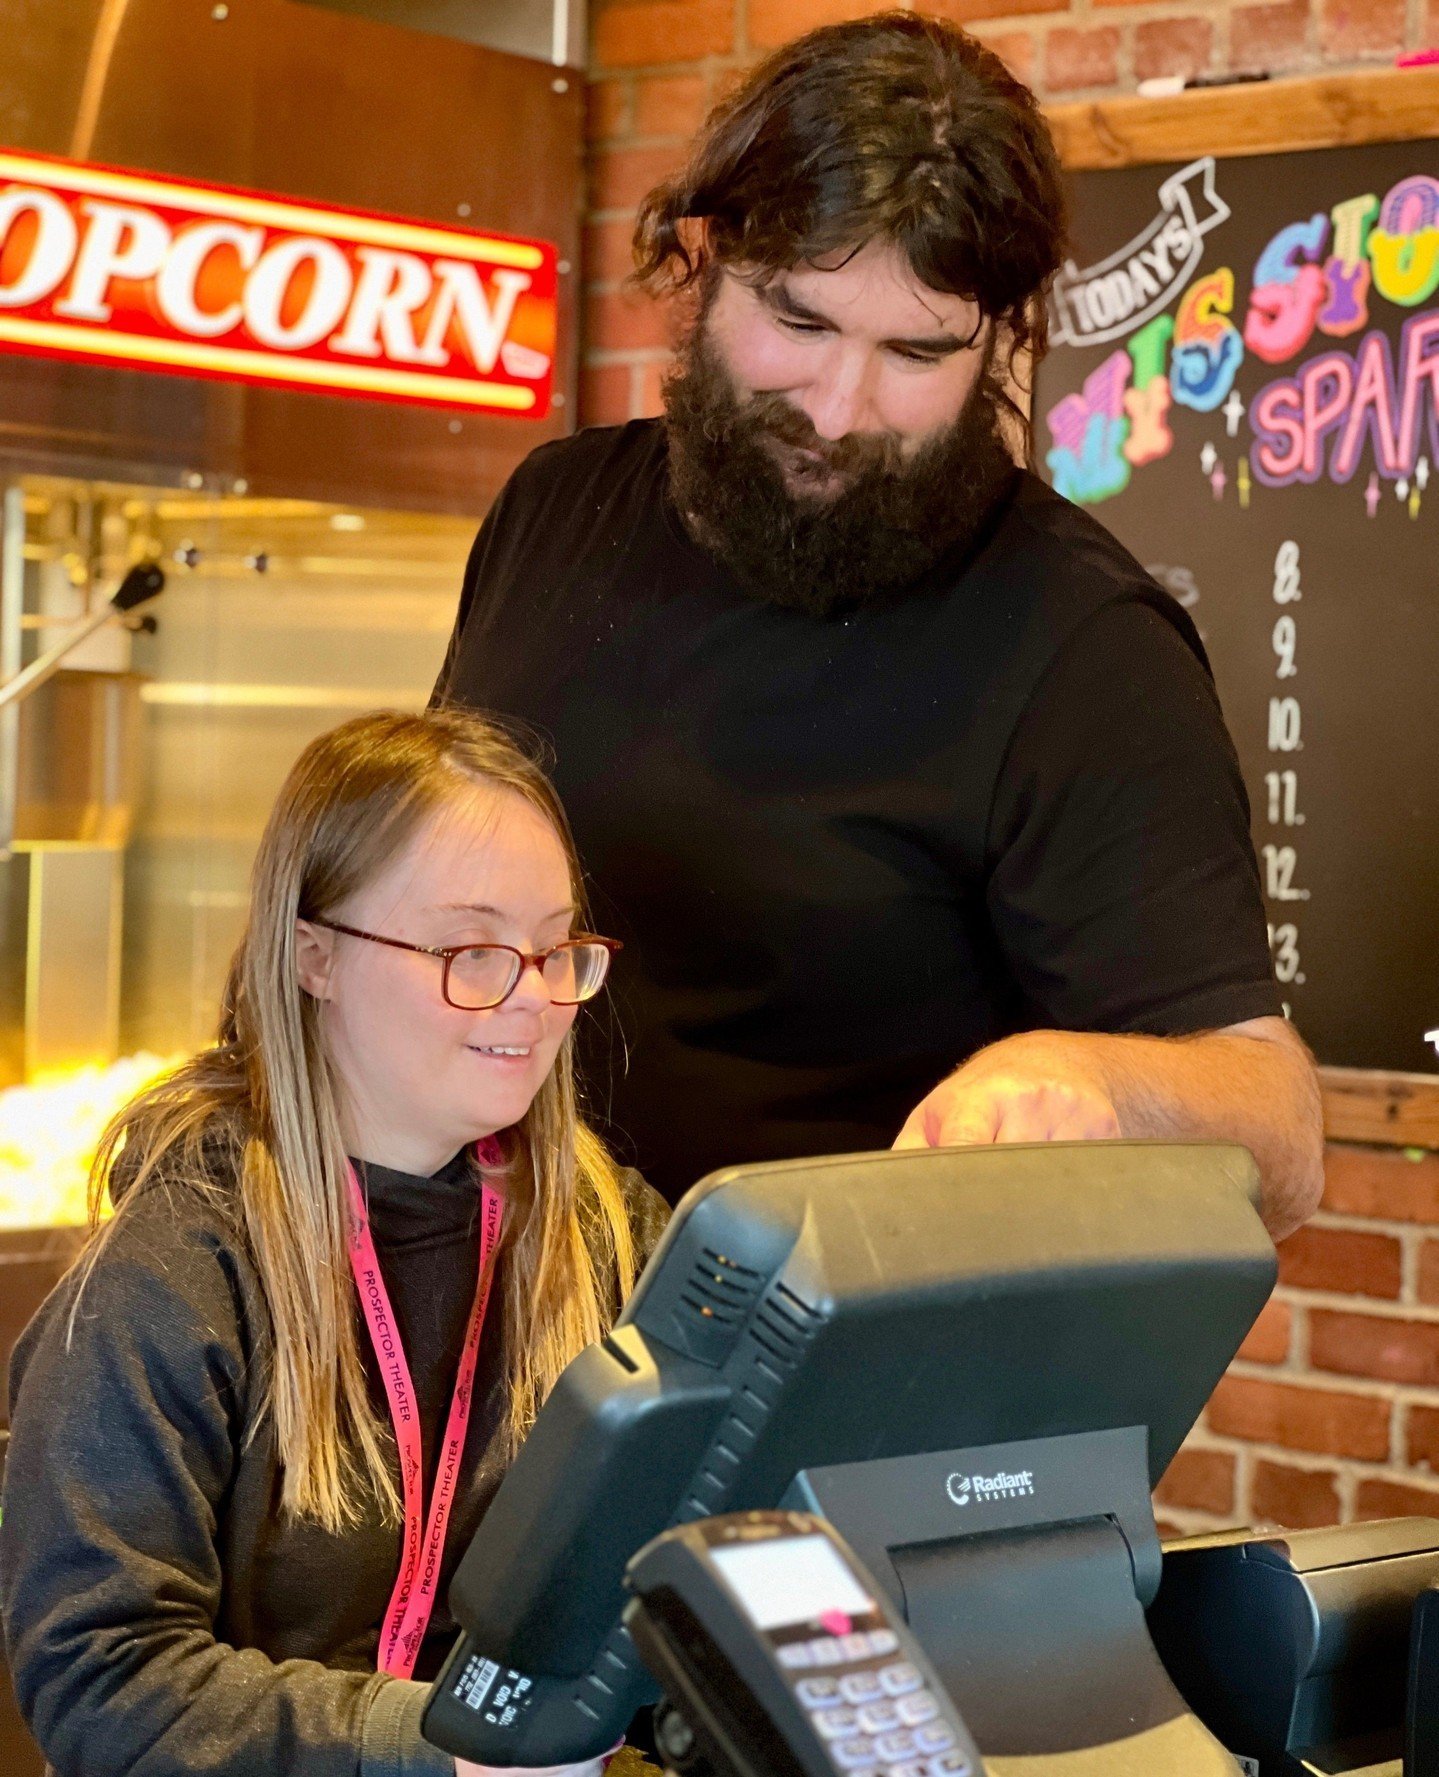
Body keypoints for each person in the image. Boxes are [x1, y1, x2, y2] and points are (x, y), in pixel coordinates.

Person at [433, 13, 1324, 1239]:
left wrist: (1093, 1079)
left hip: (838, 1383)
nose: (840, 408)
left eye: (914, 351)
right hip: (485, 1338)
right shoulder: (553, 508)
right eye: (797, 323)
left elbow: (1280, 1136)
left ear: (1000, 342)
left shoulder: (1081, 646)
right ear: (698, 261)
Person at [0, 708, 669, 1777]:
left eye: (553, 949)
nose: (534, 998)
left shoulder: (611, 1233)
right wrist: (436, 1750)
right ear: (313, 954)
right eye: (471, 949)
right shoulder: (174, 1267)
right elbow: (99, 1679)